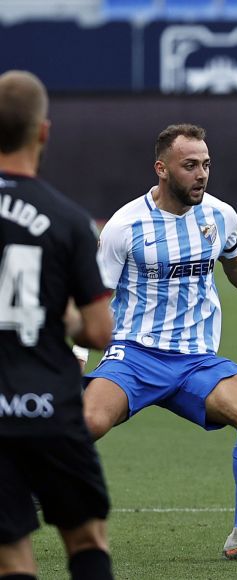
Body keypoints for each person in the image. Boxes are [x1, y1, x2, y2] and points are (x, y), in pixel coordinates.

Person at [81, 124, 237, 562]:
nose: (201, 174)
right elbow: (92, 299)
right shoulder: (125, 225)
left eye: (206, 165)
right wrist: (75, 359)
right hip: (134, 355)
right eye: (190, 165)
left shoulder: (220, 215)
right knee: (85, 424)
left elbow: (235, 261)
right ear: (162, 168)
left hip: (195, 361)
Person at [0, 70, 115, 580]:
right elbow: (98, 332)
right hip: (50, 406)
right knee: (86, 538)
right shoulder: (68, 219)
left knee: (12, 557)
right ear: (42, 132)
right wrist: (62, 314)